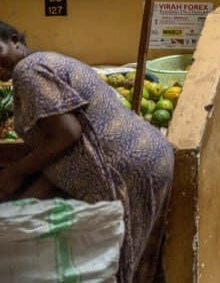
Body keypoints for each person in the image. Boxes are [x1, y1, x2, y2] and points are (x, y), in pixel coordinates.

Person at [0, 20, 174, 283]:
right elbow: (60, 149)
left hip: (124, 165)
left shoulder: (28, 70)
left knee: (121, 260)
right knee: (138, 261)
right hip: (145, 157)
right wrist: (26, 196)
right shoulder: (44, 60)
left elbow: (67, 134)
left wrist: (15, 171)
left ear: (14, 40)